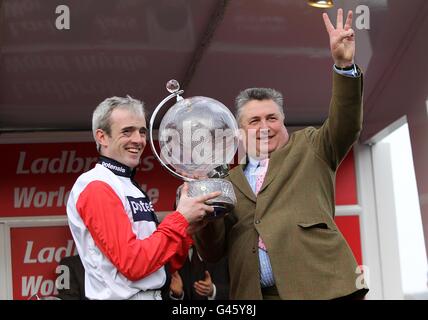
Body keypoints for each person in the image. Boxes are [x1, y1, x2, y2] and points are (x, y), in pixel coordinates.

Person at [194, 9, 368, 299]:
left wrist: (343, 65)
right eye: (254, 121)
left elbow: (347, 123)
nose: (265, 127)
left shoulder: (312, 146)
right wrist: (207, 212)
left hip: (323, 290)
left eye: (272, 118)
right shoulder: (227, 180)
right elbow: (212, 252)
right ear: (240, 132)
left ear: (283, 120)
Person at [66, 95, 220, 300]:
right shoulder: (97, 185)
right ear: (102, 137)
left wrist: (185, 231)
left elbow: (161, 264)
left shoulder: (128, 184)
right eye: (127, 131)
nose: (138, 140)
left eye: (142, 131)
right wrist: (179, 219)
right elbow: (133, 264)